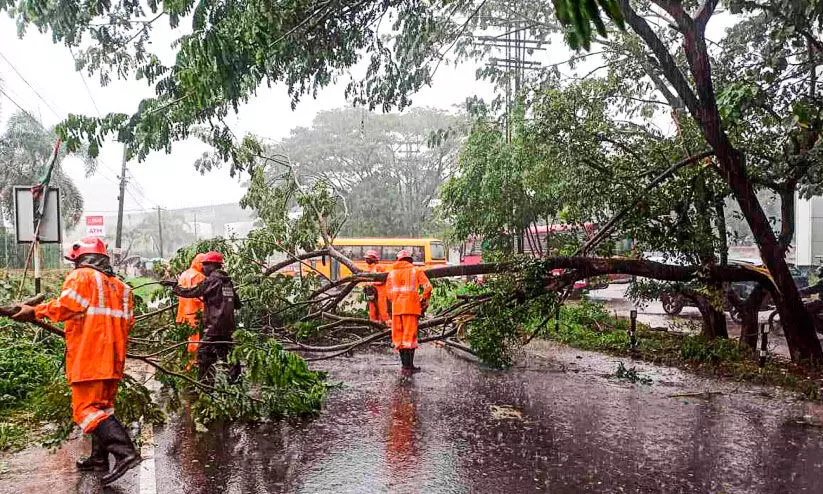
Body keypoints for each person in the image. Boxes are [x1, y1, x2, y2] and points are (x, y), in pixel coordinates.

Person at [12, 237, 140, 486]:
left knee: (85, 410)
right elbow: (127, 323)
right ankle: (98, 459)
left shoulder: (82, 276)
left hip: (90, 357)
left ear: (81, 259)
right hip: (114, 359)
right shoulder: (123, 289)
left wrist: (35, 311)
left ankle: (125, 453)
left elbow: (68, 306)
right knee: (103, 409)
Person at [164, 251, 241, 385]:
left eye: (205, 265)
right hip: (228, 327)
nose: (203, 267)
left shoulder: (211, 280)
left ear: (213, 265)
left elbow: (191, 292)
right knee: (229, 355)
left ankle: (204, 386)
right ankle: (235, 383)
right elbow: (238, 305)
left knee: (203, 356)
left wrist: (174, 286)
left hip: (213, 328)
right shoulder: (228, 282)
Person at [385, 249, 432, 373]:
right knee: (409, 338)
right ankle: (409, 367)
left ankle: (404, 366)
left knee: (399, 339)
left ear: (398, 260)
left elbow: (389, 294)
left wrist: (397, 300)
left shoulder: (391, 274)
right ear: (410, 260)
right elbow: (428, 287)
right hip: (411, 308)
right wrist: (423, 299)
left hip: (397, 309)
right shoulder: (415, 270)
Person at [176, 253, 207, 367]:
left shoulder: (184, 274)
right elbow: (200, 298)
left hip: (183, 312)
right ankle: (192, 365)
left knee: (186, 339)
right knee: (194, 340)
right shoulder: (199, 277)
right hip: (195, 313)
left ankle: (183, 363)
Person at [363, 249, 390, 324]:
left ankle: (385, 326)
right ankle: (375, 326)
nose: (366, 260)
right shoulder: (370, 268)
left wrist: (372, 284)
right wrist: (366, 286)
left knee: (383, 311)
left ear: (374, 259)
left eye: (368, 258)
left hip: (381, 293)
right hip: (373, 294)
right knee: (373, 311)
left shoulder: (379, 267)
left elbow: (382, 280)